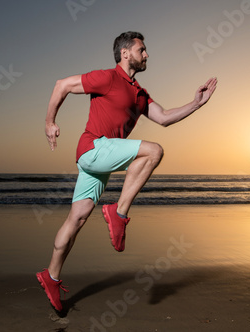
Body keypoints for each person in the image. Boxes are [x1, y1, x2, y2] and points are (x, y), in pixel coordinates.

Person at [36, 31, 217, 312]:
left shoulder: (140, 94)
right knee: (154, 151)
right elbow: (62, 85)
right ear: (125, 53)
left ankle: (51, 276)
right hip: (93, 148)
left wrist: (196, 103)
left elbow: (165, 117)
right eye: (141, 50)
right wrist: (50, 122)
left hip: (97, 162)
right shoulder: (108, 77)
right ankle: (118, 213)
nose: (146, 55)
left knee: (77, 219)